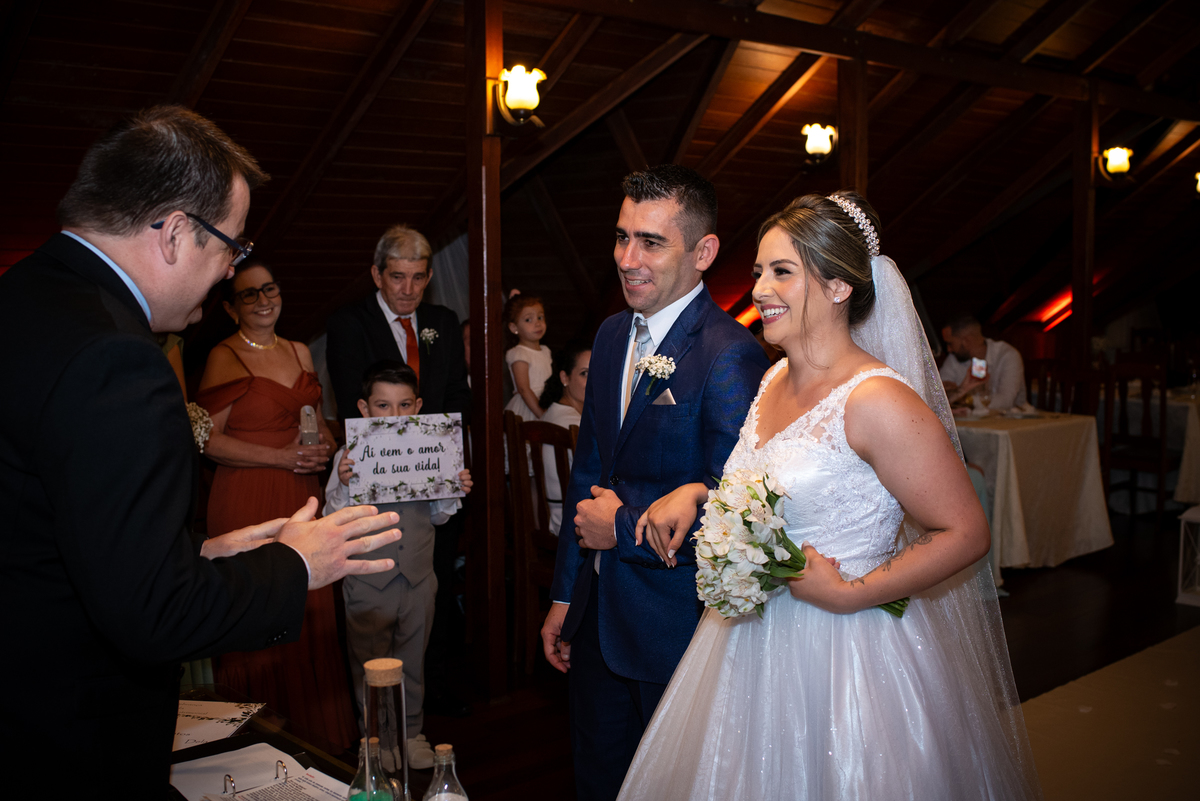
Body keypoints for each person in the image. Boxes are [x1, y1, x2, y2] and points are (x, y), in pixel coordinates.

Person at [0, 105, 402, 788]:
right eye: (232, 247)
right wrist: (295, 565)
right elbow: (152, 614)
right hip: (64, 731)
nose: (228, 274)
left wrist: (199, 554)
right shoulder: (117, 360)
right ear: (176, 233)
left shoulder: (26, 295)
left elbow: (56, 524)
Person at [616, 192, 1042, 800]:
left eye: (782, 272)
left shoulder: (877, 400)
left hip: (847, 655)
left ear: (840, 286)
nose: (759, 289)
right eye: (759, 271)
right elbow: (770, 492)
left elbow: (966, 531)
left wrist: (849, 593)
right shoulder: (773, 379)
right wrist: (701, 494)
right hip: (746, 643)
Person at [540, 164, 770, 801]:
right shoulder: (612, 334)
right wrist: (565, 596)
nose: (627, 259)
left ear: (703, 251)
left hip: (674, 625)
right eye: (622, 237)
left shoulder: (730, 355)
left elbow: (737, 518)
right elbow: (590, 472)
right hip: (595, 612)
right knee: (597, 779)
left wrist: (620, 530)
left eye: (651, 242)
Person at [196, 260, 358, 752]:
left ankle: (319, 742)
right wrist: (281, 457)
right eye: (250, 294)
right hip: (247, 498)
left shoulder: (300, 350)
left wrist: (325, 446)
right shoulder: (224, 356)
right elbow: (207, 440)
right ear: (231, 308)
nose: (264, 300)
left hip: (301, 494)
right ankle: (253, 745)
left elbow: (318, 420)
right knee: (257, 605)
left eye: (270, 289)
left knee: (311, 609)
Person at [325, 223, 472, 716]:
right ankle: (375, 723)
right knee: (375, 618)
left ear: (429, 277)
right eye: (397, 277)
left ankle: (426, 699)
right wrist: (394, 450)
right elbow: (353, 399)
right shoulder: (349, 322)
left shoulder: (442, 320)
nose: (408, 289)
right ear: (377, 275)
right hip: (374, 485)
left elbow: (457, 395)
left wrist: (439, 457)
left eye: (418, 277)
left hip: (430, 484)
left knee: (430, 590)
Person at [324, 360, 473, 769]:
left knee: (413, 660)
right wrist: (345, 483)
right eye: (383, 405)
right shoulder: (348, 457)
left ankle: (411, 733)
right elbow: (331, 518)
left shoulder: (432, 450)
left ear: (418, 406)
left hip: (419, 577)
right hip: (368, 581)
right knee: (369, 665)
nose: (394, 414)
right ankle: (376, 739)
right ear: (364, 408)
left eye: (405, 405)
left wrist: (452, 487)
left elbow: (439, 517)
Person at [538, 343, 592, 534]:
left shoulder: (551, 413)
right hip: (570, 523)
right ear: (564, 377)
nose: (594, 380)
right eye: (585, 373)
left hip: (549, 517)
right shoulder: (575, 425)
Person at [940, 313, 1027, 410]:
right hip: (970, 418)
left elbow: (1006, 401)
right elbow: (940, 395)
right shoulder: (953, 358)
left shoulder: (1007, 355)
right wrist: (956, 392)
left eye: (950, 343)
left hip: (1012, 418)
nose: (948, 349)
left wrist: (966, 399)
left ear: (967, 341)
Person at [504, 294, 552, 420]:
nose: (537, 323)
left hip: (546, 401)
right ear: (514, 327)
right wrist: (541, 415)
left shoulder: (546, 351)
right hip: (529, 406)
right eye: (528, 320)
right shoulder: (519, 353)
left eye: (540, 317)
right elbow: (523, 389)